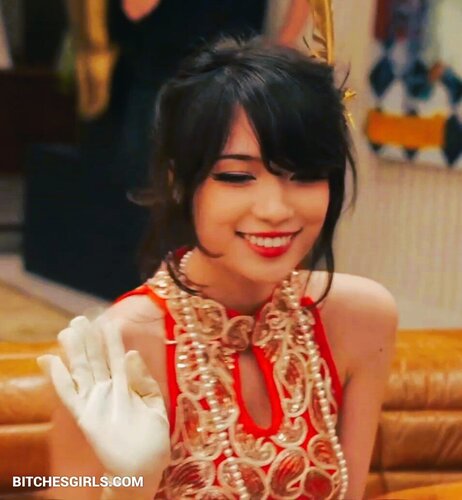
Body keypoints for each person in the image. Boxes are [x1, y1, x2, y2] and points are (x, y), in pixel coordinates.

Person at [38, 37, 397, 500]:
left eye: (306, 174)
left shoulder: (362, 320)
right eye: (236, 176)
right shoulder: (113, 352)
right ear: (179, 181)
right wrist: (131, 487)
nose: (274, 209)